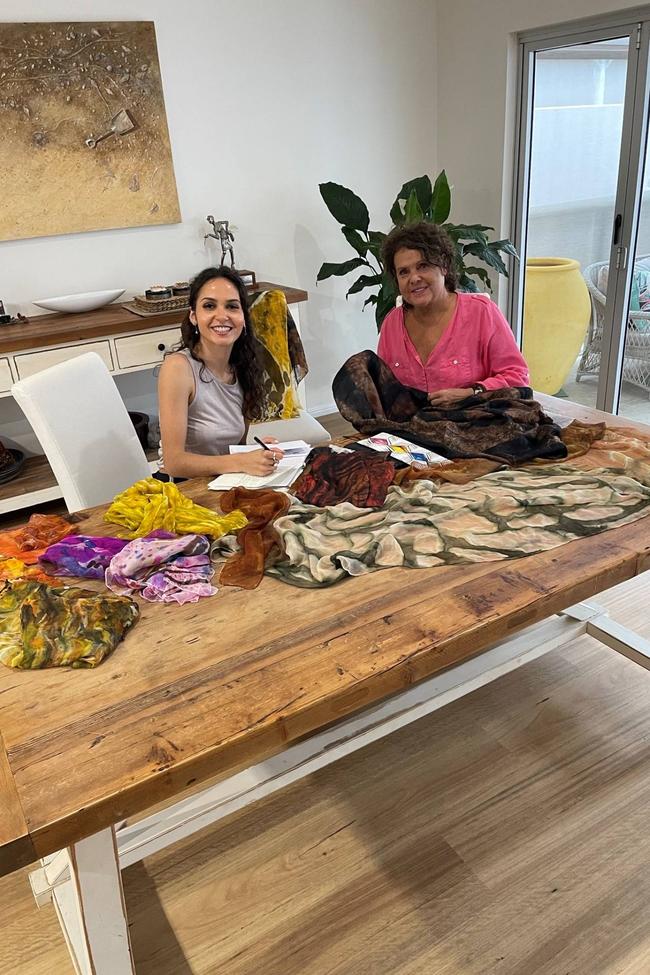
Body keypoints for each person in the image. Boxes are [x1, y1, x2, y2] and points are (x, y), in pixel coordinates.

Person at [378, 222, 529, 405]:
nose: (414, 278)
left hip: (476, 424)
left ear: (443, 266)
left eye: (423, 266)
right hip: (411, 429)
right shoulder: (391, 324)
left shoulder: (482, 312)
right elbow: (384, 388)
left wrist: (472, 392)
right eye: (404, 272)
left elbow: (517, 377)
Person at [156, 266, 282, 480]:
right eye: (209, 306)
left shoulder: (244, 367)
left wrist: (255, 454)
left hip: (222, 480)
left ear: (243, 317)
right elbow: (173, 462)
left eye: (232, 306)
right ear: (194, 316)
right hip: (180, 488)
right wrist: (241, 461)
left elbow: (231, 448)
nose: (221, 316)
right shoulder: (177, 368)